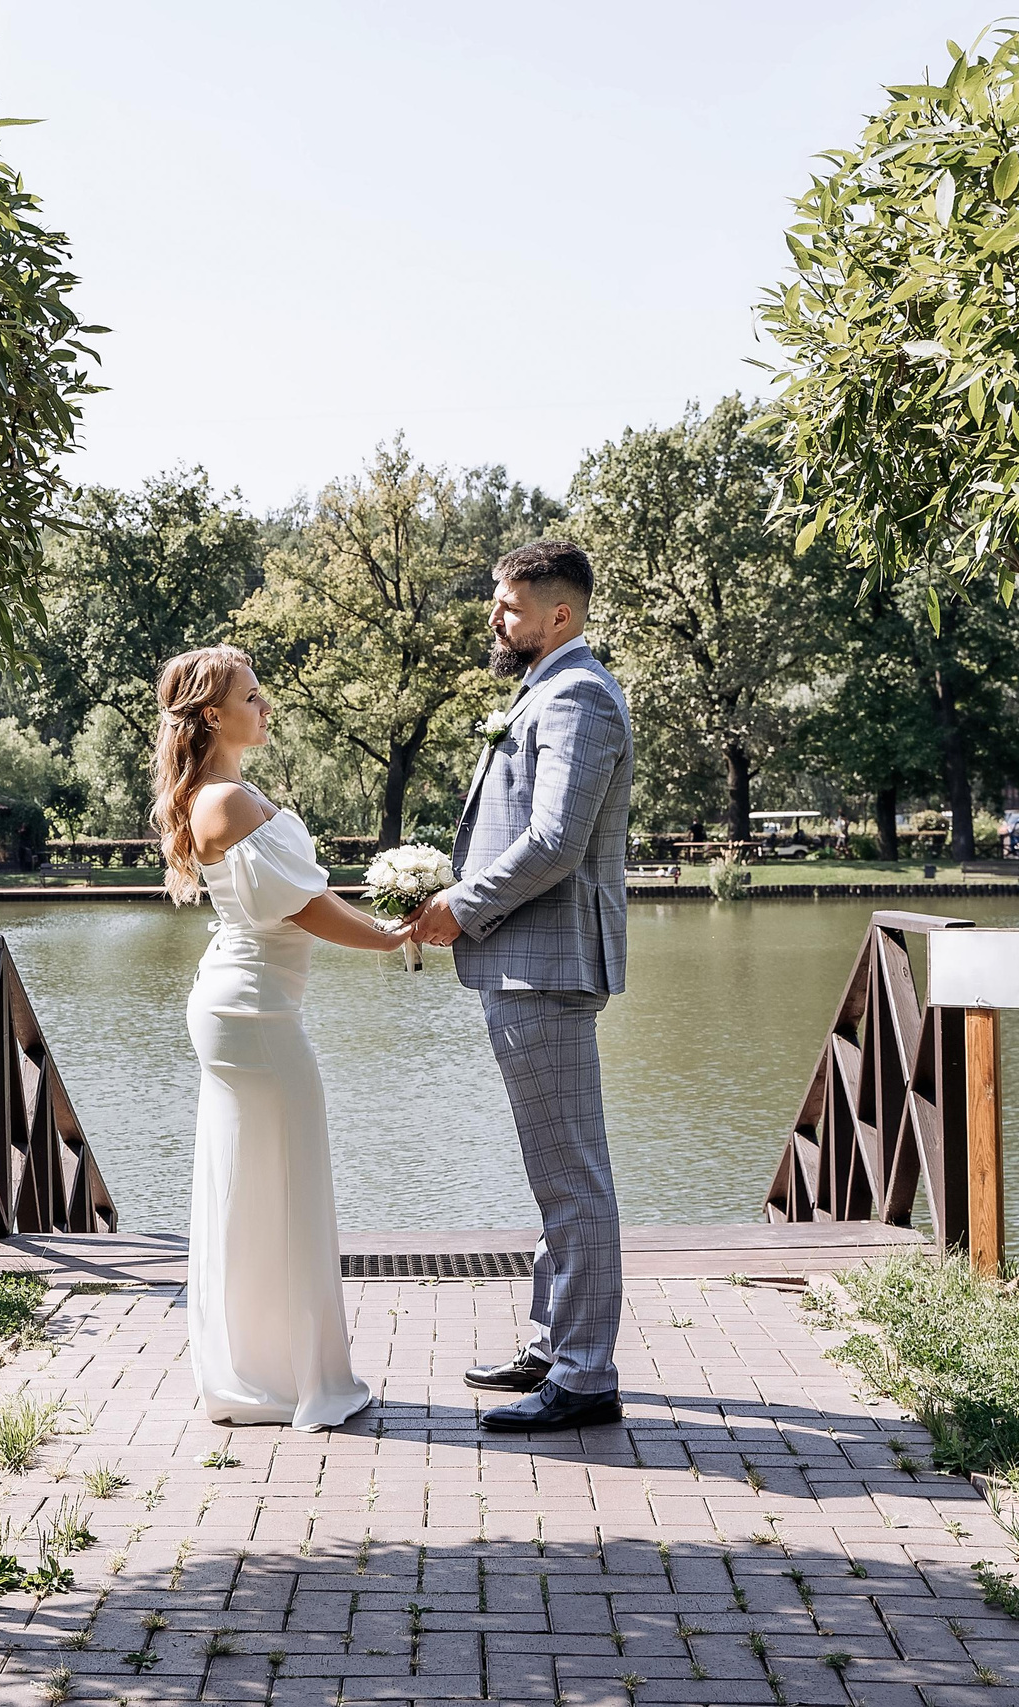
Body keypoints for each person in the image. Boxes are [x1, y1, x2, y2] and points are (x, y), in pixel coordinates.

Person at [409, 540, 635, 1433]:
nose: (495, 619)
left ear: (560, 616)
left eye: (508, 606)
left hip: (544, 966)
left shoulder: (578, 694)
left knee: (574, 1176)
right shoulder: (544, 689)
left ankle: (584, 1375)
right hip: (527, 963)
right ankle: (554, 1343)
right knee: (558, 1171)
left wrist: (459, 907)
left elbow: (554, 843)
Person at [152, 644, 405, 1430]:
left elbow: (307, 895)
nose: (266, 707)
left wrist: (387, 918)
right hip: (254, 1014)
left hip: (249, 1007)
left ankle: (262, 1372)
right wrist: (392, 938)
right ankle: (295, 1380)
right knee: (288, 1190)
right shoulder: (223, 800)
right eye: (251, 697)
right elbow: (304, 908)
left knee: (256, 1189)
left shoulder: (231, 790)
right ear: (211, 715)